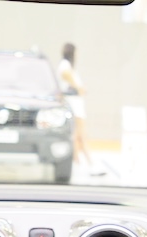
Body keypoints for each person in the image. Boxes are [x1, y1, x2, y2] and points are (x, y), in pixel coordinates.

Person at [58, 43, 102, 175]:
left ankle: (78, 163)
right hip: (75, 106)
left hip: (75, 105)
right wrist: (79, 87)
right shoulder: (65, 65)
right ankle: (91, 164)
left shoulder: (66, 65)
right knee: (81, 136)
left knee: (76, 137)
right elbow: (66, 76)